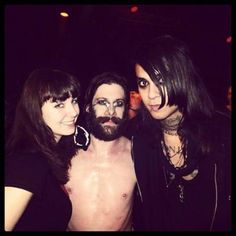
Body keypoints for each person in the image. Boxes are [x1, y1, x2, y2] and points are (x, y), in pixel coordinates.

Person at [131, 35, 231, 231]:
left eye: (160, 81)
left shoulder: (223, 133)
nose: (151, 95)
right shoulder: (137, 137)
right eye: (144, 83)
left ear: (182, 77)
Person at [5, 68, 82, 231]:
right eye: (59, 104)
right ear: (36, 111)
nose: (73, 111)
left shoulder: (50, 154)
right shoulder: (27, 160)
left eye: (74, 100)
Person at [65, 72, 137, 231]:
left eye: (118, 103)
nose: (111, 112)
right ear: (88, 107)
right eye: (102, 102)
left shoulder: (137, 155)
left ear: (126, 109)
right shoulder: (65, 153)